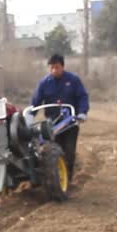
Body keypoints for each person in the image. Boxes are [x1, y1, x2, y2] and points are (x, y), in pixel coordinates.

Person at [29, 53, 89, 181]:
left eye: (56, 67)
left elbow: (82, 97)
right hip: (51, 124)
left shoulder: (73, 80)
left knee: (69, 152)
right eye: (51, 68)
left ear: (62, 66)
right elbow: (36, 102)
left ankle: (68, 179)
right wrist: (29, 116)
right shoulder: (44, 83)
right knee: (53, 152)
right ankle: (55, 179)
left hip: (70, 123)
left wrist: (82, 112)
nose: (54, 70)